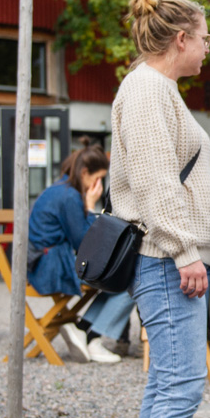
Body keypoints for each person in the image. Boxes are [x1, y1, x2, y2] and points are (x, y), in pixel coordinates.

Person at [110, 0, 210, 418]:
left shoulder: (154, 88)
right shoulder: (148, 89)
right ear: (180, 39)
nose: (208, 47)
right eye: (204, 38)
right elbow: (156, 179)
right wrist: (185, 251)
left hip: (162, 257)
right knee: (179, 391)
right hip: (164, 258)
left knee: (164, 389)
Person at [27, 143, 132, 364]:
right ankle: (93, 337)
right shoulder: (70, 197)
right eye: (98, 178)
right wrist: (90, 205)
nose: (99, 184)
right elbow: (85, 242)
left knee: (119, 280)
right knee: (129, 282)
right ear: (85, 173)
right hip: (51, 268)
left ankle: (83, 330)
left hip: (46, 262)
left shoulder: (61, 190)